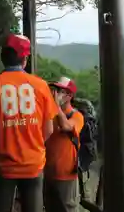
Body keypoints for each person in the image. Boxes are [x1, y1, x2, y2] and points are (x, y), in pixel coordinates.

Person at [0, 34, 58, 212]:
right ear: (24, 59)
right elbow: (48, 130)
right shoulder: (41, 86)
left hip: (2, 166)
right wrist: (33, 147)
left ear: (3, 58)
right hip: (33, 164)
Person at [44, 77, 84, 212]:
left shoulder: (77, 116)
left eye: (60, 91)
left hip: (66, 175)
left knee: (67, 208)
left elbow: (66, 126)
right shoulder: (50, 114)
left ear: (69, 96)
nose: (56, 93)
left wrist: (55, 106)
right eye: (55, 90)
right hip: (48, 173)